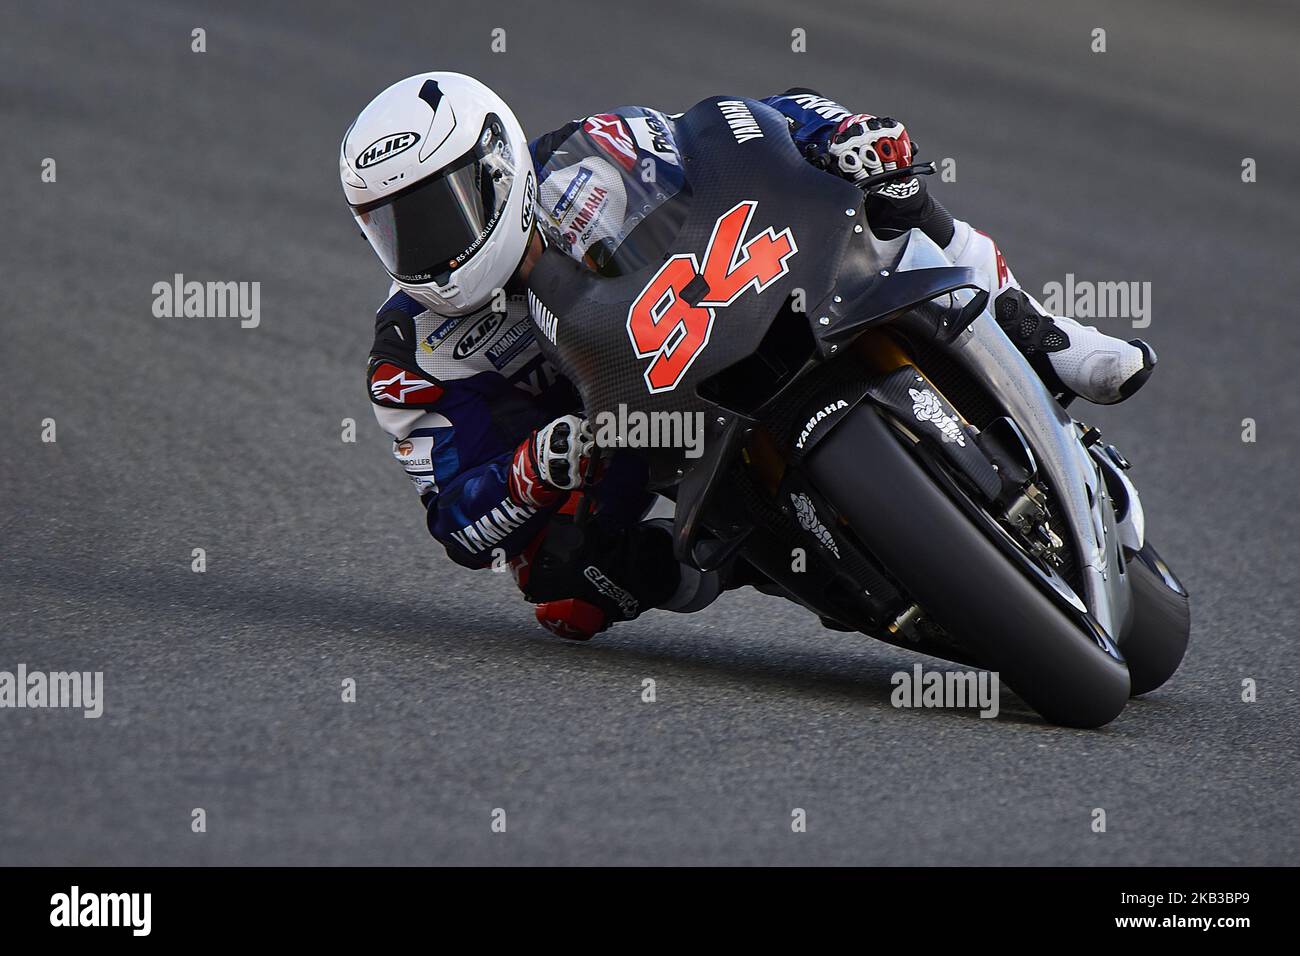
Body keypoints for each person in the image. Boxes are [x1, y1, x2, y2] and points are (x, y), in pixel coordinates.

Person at [340, 73, 1157, 639]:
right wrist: (536, 466)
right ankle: (770, 563)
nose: (428, 247)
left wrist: (843, 136)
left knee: (890, 192)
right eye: (397, 227)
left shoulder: (597, 154)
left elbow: (743, 126)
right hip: (624, 447)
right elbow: (457, 518)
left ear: (497, 166)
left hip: (739, 304)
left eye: (441, 210)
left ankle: (1048, 340)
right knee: (566, 598)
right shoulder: (410, 352)